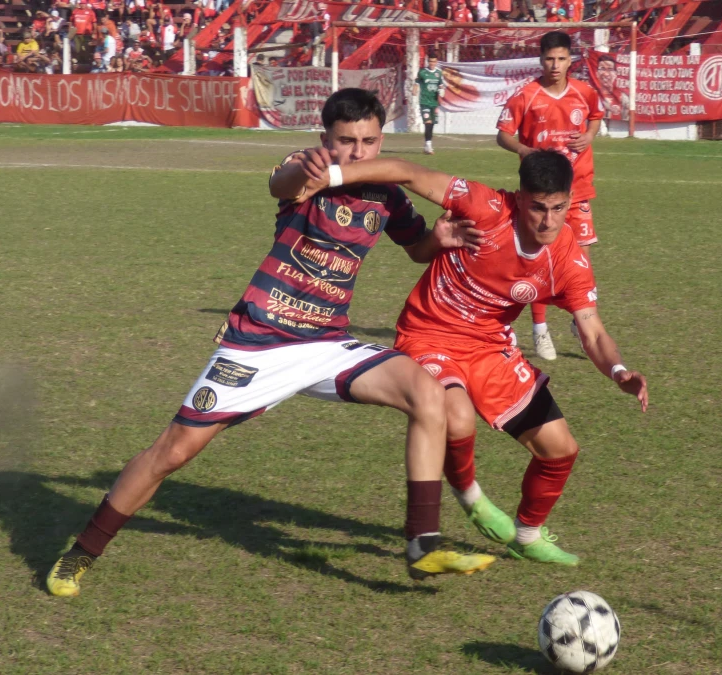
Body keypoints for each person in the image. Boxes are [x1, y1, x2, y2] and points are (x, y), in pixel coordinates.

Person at [44, 88, 495, 598]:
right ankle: (80, 553)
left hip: (327, 344)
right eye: (346, 141)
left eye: (368, 141)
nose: (357, 152)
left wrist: (440, 240)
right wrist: (306, 170)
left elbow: (415, 248)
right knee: (172, 453)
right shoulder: (306, 169)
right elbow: (281, 182)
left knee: (428, 393)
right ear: (325, 138)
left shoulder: (386, 193)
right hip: (258, 343)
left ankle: (422, 544)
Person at [291, 149, 648, 566]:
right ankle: (472, 498)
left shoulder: (568, 256)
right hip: (430, 335)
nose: (548, 220)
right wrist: (330, 176)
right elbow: (406, 171)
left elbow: (593, 330)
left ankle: (527, 536)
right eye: (537, 207)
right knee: (457, 417)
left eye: (558, 208)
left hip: (491, 348)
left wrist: (619, 371)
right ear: (519, 198)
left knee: (560, 449)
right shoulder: (485, 207)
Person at [497, 30, 603, 361]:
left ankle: (578, 319)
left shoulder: (584, 92)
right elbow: (502, 135)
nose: (554, 65)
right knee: (540, 259)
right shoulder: (526, 95)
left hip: (577, 188)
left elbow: (597, 116)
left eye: (560, 58)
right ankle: (540, 330)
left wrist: (588, 135)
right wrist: (523, 149)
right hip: (541, 194)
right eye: (548, 59)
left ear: (570, 60)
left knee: (579, 261)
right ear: (540, 60)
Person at [413, 53, 444, 155]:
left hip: (434, 103)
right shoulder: (422, 72)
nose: (432, 63)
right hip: (424, 102)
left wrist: (442, 90)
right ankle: (429, 146)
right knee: (428, 122)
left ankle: (427, 145)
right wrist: (415, 90)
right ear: (428, 61)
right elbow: (417, 83)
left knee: (432, 124)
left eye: (434, 61)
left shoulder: (438, 73)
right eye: (430, 61)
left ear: (436, 62)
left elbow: (441, 85)